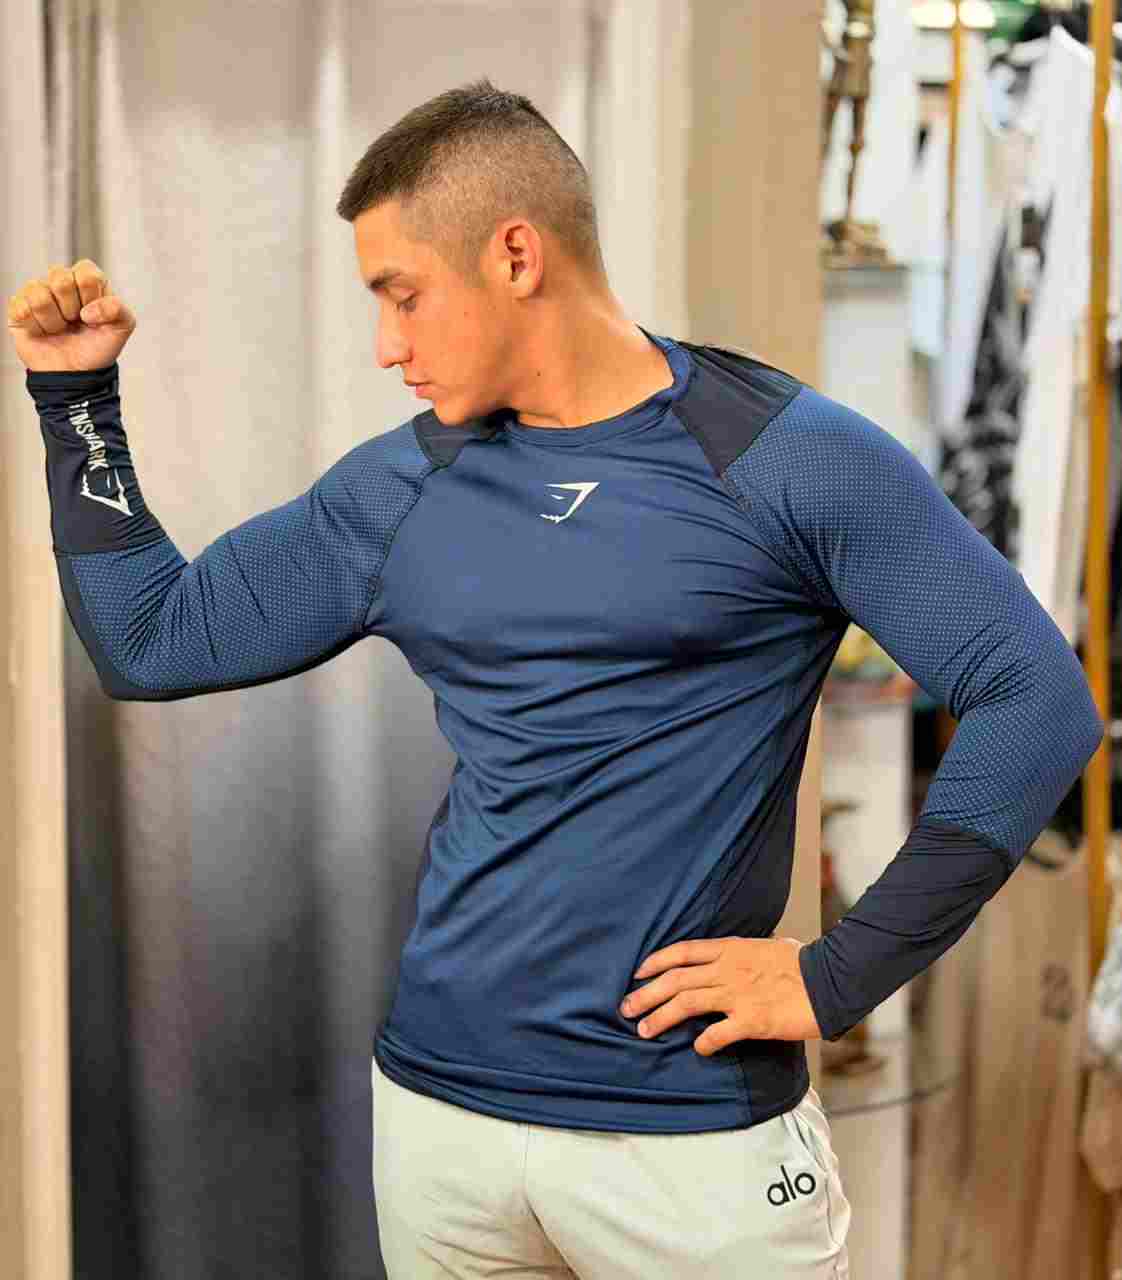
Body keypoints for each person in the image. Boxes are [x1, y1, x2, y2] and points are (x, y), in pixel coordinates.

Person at [7, 77, 1103, 1280]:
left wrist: (837, 975)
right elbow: (154, 637)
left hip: (689, 1142)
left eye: (403, 294)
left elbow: (1036, 701)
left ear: (516, 255)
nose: (387, 344)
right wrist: (76, 400)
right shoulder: (406, 486)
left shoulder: (788, 459)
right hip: (443, 1120)